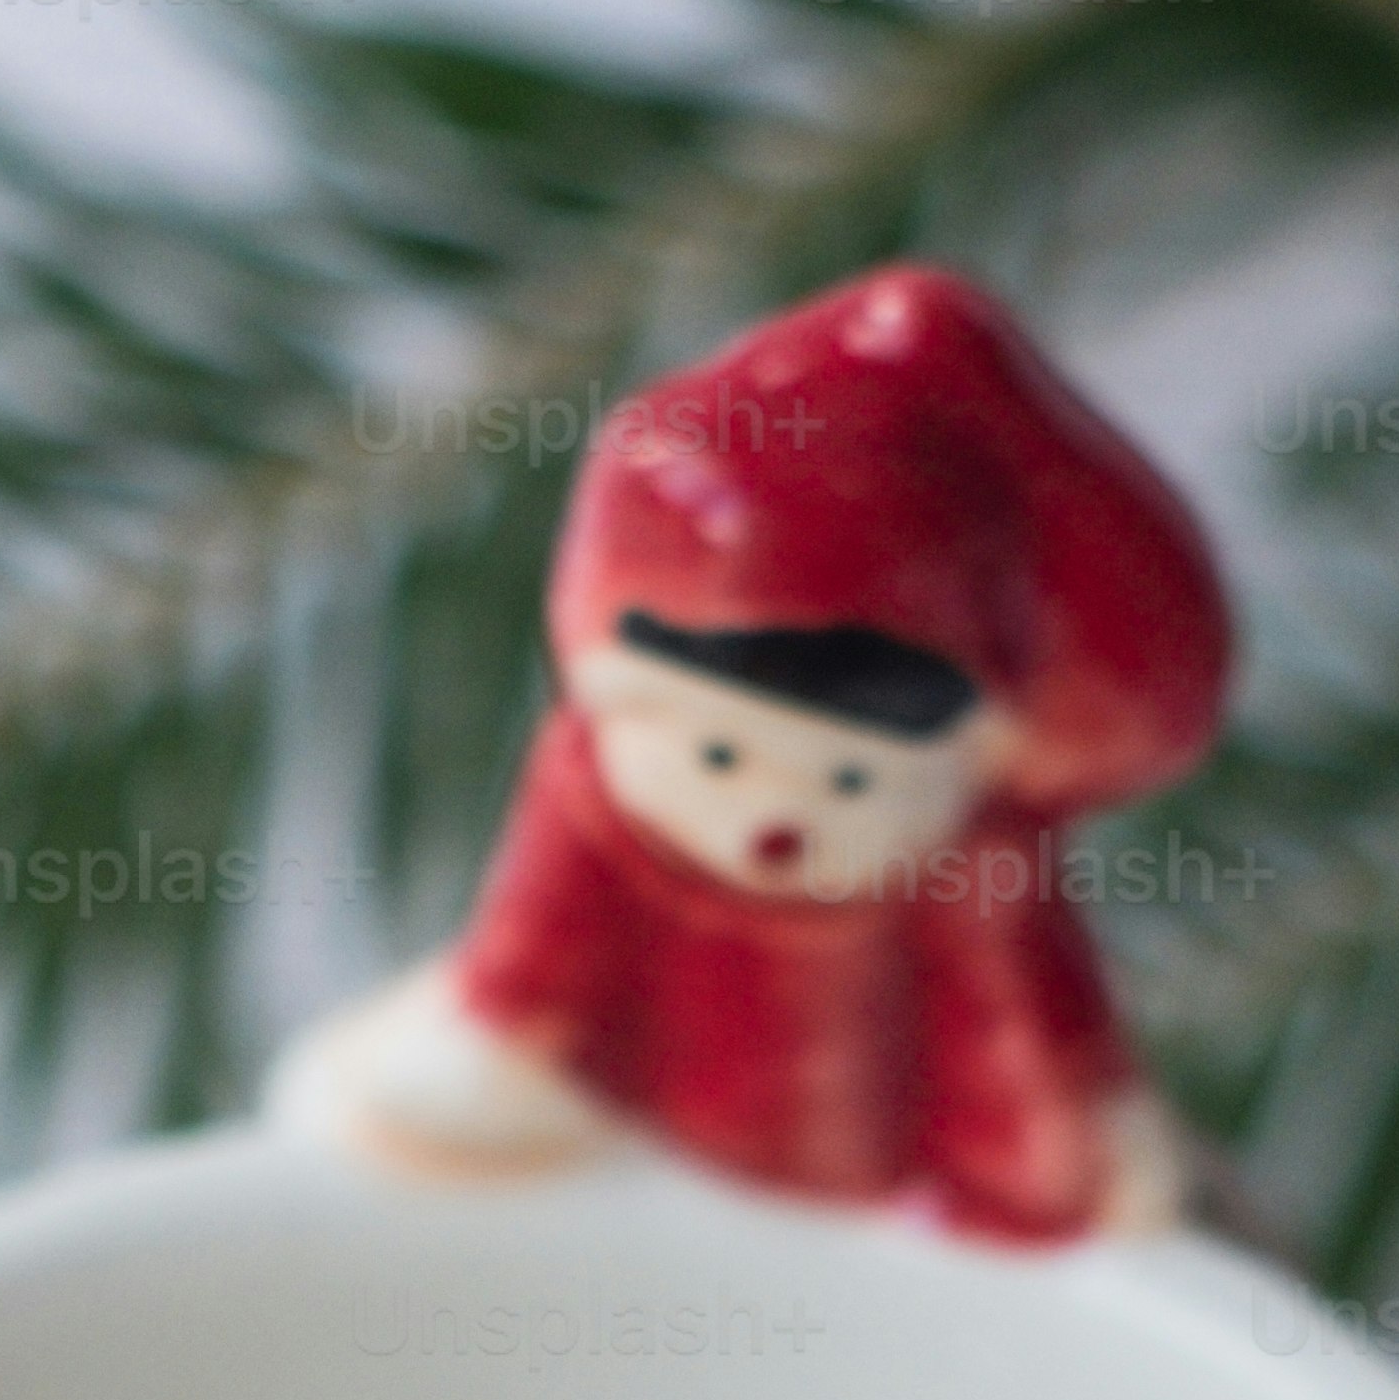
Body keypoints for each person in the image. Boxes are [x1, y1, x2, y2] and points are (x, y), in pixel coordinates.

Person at [285, 259, 1230, 1242]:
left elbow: (1017, 1032)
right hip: (629, 1147)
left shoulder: (971, 872)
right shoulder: (590, 798)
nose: (772, 822)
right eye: (719, 761)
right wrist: (496, 1056)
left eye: (850, 780)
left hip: (861, 1172)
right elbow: (533, 960)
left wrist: (1049, 1159)